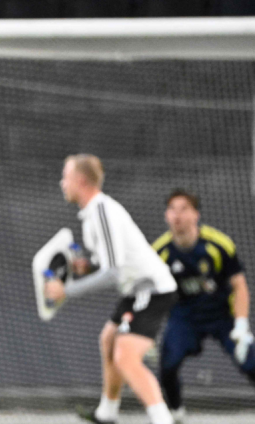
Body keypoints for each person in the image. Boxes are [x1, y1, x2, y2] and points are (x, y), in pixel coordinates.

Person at [45, 154, 178, 424]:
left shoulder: (101, 211)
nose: (62, 183)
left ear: (81, 181)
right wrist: (88, 266)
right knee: (108, 340)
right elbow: (110, 262)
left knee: (125, 357)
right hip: (136, 290)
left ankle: (162, 419)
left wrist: (66, 291)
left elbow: (113, 272)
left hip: (150, 290)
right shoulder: (92, 214)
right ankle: (107, 413)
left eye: (66, 176)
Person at [153, 189, 254, 423]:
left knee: (251, 363)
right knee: (167, 365)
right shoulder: (158, 252)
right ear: (166, 215)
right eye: (172, 209)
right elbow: (150, 294)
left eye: (183, 209)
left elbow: (240, 287)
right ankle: (176, 413)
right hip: (184, 316)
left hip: (222, 314)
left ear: (196, 214)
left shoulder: (219, 244)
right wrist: (147, 330)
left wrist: (241, 326)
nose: (177, 215)